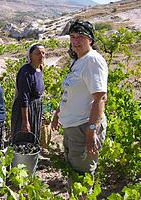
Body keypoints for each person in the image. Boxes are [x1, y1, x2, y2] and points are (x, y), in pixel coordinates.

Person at [51, 19, 108, 193]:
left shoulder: (92, 61)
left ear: (90, 39)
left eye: (81, 37)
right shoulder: (78, 61)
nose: (75, 41)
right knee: (75, 174)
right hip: (73, 128)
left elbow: (100, 98)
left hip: (84, 128)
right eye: (72, 37)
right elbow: (71, 92)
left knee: (82, 177)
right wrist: (58, 113)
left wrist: (91, 131)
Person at [11, 43, 45, 143]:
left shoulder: (39, 69)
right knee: (24, 138)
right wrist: (25, 121)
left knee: (33, 138)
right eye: (38, 53)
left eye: (43, 53)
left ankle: (31, 158)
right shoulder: (26, 72)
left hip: (36, 108)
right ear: (30, 55)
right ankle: (20, 159)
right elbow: (24, 97)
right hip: (25, 109)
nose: (41, 56)